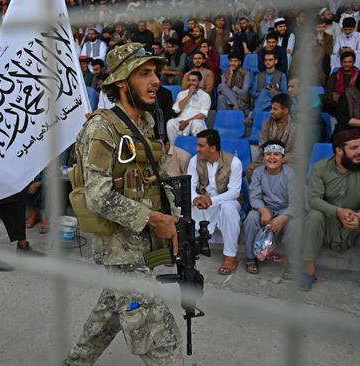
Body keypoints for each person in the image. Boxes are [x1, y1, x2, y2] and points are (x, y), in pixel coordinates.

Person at [65, 42, 182, 365]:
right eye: (144, 73)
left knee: (111, 310)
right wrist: (153, 219)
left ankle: (77, 361)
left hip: (144, 243)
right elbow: (98, 195)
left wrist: (173, 222)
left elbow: (157, 178)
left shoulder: (145, 123)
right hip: (120, 248)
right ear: (121, 82)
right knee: (160, 338)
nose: (155, 80)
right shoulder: (101, 129)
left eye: (155, 72)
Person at [301, 129, 360, 302]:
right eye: (354, 148)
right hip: (329, 223)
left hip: (356, 225)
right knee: (313, 216)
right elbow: (314, 200)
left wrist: (359, 216)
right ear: (339, 150)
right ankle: (307, 272)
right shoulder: (320, 168)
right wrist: (337, 212)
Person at [187, 129, 242, 275]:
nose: (197, 149)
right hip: (203, 201)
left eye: (201, 146)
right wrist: (196, 199)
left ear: (213, 148)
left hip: (225, 201)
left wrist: (212, 200)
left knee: (228, 208)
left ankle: (230, 257)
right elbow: (190, 186)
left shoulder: (234, 162)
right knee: (184, 204)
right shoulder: (194, 160)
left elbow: (234, 192)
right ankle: (185, 249)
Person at [243, 139, 299, 276]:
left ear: (283, 158)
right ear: (263, 157)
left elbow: (296, 202)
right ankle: (251, 257)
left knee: (295, 225)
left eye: (276, 154)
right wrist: (263, 211)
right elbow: (254, 196)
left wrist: (281, 218)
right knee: (251, 218)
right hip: (265, 208)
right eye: (268, 154)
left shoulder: (290, 174)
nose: (272, 157)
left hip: (285, 210)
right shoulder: (258, 172)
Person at [246, 93, 296, 181]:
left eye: (275, 109)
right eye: (271, 108)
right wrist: (271, 157)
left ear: (285, 110)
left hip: (287, 161)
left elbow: (297, 152)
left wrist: (281, 159)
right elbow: (262, 145)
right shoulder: (266, 124)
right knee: (250, 169)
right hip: (267, 158)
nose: (271, 111)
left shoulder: (296, 128)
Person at [167, 71, 210, 144]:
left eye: (194, 80)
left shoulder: (205, 96)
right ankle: (174, 148)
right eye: (189, 80)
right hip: (181, 119)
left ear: (199, 81)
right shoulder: (182, 94)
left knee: (197, 124)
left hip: (196, 120)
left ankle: (198, 149)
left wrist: (187, 122)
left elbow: (202, 115)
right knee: (170, 123)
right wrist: (189, 95)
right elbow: (176, 110)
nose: (191, 82)